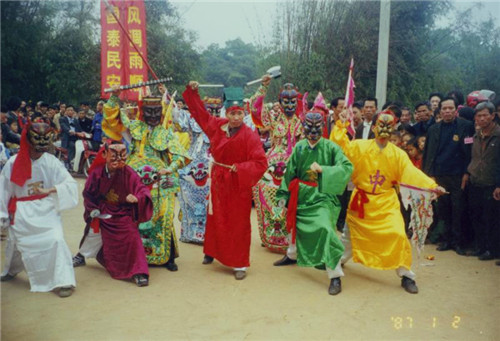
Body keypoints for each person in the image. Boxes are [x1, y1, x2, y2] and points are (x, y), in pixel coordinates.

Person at [331, 109, 445, 294]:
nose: (384, 130)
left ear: (393, 129)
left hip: (386, 202)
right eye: (380, 125)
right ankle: (335, 271)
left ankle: (406, 275)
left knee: (398, 235)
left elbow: (411, 173)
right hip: (362, 201)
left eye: (388, 126)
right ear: (374, 127)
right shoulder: (359, 146)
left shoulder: (398, 154)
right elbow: (340, 147)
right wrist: (340, 125)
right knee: (348, 239)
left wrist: (431, 186)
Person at [183, 80, 267, 280]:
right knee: (215, 216)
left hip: (238, 183)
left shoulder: (250, 135)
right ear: (226, 113)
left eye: (239, 114)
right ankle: (211, 251)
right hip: (219, 180)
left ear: (244, 114)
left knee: (238, 223)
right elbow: (200, 115)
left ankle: (239, 263)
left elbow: (260, 162)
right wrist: (193, 93)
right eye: (232, 113)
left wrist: (241, 168)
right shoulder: (217, 127)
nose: (236, 117)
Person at [102, 86, 189, 271]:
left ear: (162, 111)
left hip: (160, 181)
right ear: (142, 111)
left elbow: (181, 156)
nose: (152, 115)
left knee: (163, 215)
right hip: (135, 181)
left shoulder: (166, 133)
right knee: (134, 216)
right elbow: (113, 120)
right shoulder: (134, 127)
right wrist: (114, 96)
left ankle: (168, 256)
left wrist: (170, 168)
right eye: (148, 111)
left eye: (156, 111)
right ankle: (134, 253)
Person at [273, 110, 353, 295]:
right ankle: (292, 254)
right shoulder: (299, 147)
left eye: (318, 127)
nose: (313, 131)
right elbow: (290, 173)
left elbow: (347, 167)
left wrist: (324, 170)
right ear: (304, 127)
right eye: (309, 126)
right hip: (300, 195)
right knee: (294, 226)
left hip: (322, 196)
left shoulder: (331, 147)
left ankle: (335, 275)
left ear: (323, 127)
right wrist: (283, 195)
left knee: (325, 229)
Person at [0, 120, 78, 297]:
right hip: (22, 210)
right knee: (16, 243)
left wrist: (53, 189)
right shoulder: (13, 163)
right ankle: (10, 270)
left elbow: (69, 183)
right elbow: (4, 190)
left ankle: (63, 280)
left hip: (46, 209)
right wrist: (2, 215)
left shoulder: (51, 162)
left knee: (56, 239)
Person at [74, 141, 153, 286]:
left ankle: (138, 271)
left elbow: (142, 189)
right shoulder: (97, 173)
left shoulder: (129, 173)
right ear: (104, 154)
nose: (118, 160)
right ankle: (81, 255)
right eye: (114, 155)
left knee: (132, 235)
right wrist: (93, 209)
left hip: (122, 212)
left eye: (122, 156)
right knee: (93, 232)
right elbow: (88, 194)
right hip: (103, 210)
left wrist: (137, 198)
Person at [248, 75, 304, 253]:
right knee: (266, 193)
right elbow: (255, 109)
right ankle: (271, 234)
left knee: (296, 199)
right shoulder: (274, 118)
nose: (289, 105)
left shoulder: (301, 120)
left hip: (295, 162)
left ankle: (292, 237)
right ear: (279, 102)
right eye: (285, 101)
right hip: (273, 161)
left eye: (292, 101)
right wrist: (264, 87)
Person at [422, 97, 475, 255]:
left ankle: (458, 242)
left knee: (458, 209)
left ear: (455, 110)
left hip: (459, 175)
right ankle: (445, 240)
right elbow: (428, 154)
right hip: (439, 176)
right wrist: (428, 175)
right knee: (443, 210)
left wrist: (467, 172)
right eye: (444, 109)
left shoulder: (466, 126)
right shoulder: (433, 129)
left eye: (450, 108)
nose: (447, 111)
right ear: (440, 111)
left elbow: (470, 151)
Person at [174, 97, 211, 244]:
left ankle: (208, 233)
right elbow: (177, 120)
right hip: (193, 161)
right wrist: (168, 99)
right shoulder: (190, 118)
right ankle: (189, 233)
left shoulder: (217, 122)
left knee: (208, 201)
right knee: (188, 199)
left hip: (209, 162)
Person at [466, 101, 500, 261]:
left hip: (491, 183)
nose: (482, 118)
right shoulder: (475, 135)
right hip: (475, 181)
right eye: (478, 116)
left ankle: (491, 250)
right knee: (476, 215)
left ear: (493, 116)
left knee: (491, 219)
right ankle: (480, 247)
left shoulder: (498, 135)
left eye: (485, 115)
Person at [59, 104, 82, 171]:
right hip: (67, 138)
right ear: (66, 111)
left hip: (75, 138)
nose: (70, 112)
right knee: (72, 146)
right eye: (68, 110)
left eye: (71, 110)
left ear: (74, 112)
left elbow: (79, 129)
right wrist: (69, 131)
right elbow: (63, 126)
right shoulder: (62, 119)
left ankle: (72, 162)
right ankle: (67, 162)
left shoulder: (76, 120)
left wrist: (83, 133)